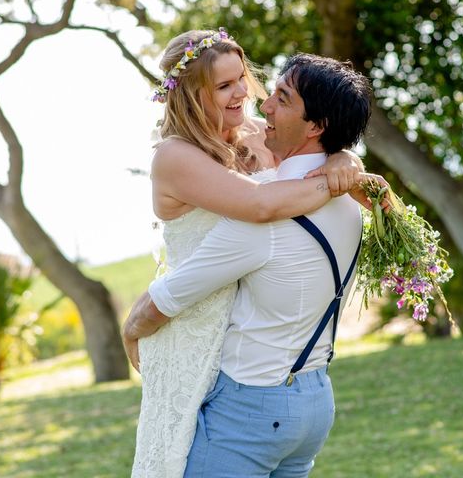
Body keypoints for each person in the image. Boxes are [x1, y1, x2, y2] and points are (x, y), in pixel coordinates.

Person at [128, 28, 384, 478]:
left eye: (241, 78)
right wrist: (335, 175)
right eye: (224, 86)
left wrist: (344, 159)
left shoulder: (257, 137)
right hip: (193, 324)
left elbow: (306, 155)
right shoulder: (175, 155)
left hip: (241, 346)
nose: (243, 93)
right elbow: (262, 204)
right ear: (190, 96)